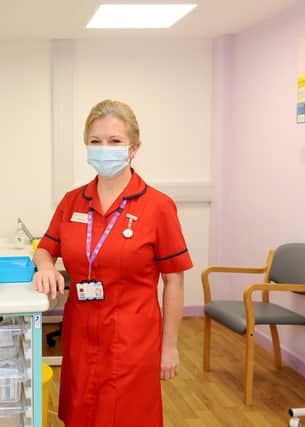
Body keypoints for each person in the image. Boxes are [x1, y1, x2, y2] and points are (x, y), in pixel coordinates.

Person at [32, 99, 193, 427]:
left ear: (134, 148)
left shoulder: (158, 207)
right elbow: (45, 248)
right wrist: (46, 265)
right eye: (96, 141)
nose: (104, 149)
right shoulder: (73, 201)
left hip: (132, 342)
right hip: (80, 337)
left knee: (127, 417)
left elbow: (174, 280)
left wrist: (170, 347)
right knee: (82, 414)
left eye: (114, 141)